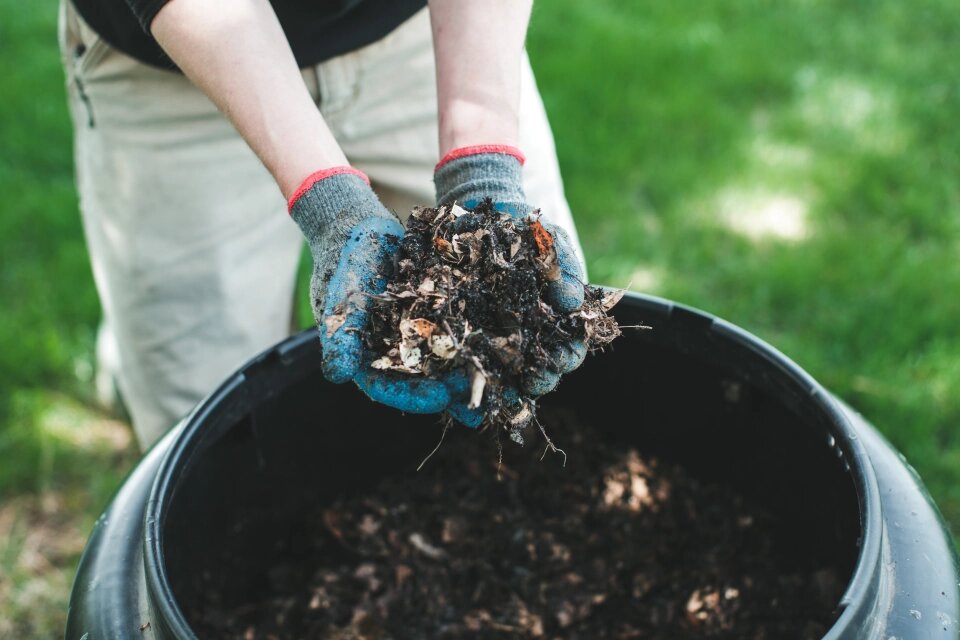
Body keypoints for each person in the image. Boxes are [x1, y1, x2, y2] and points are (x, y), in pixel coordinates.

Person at [59, 0, 587, 450]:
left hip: (423, 35)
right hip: (177, 65)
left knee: (529, 343)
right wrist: (332, 205)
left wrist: (482, 160)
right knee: (206, 414)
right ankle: (128, 354)